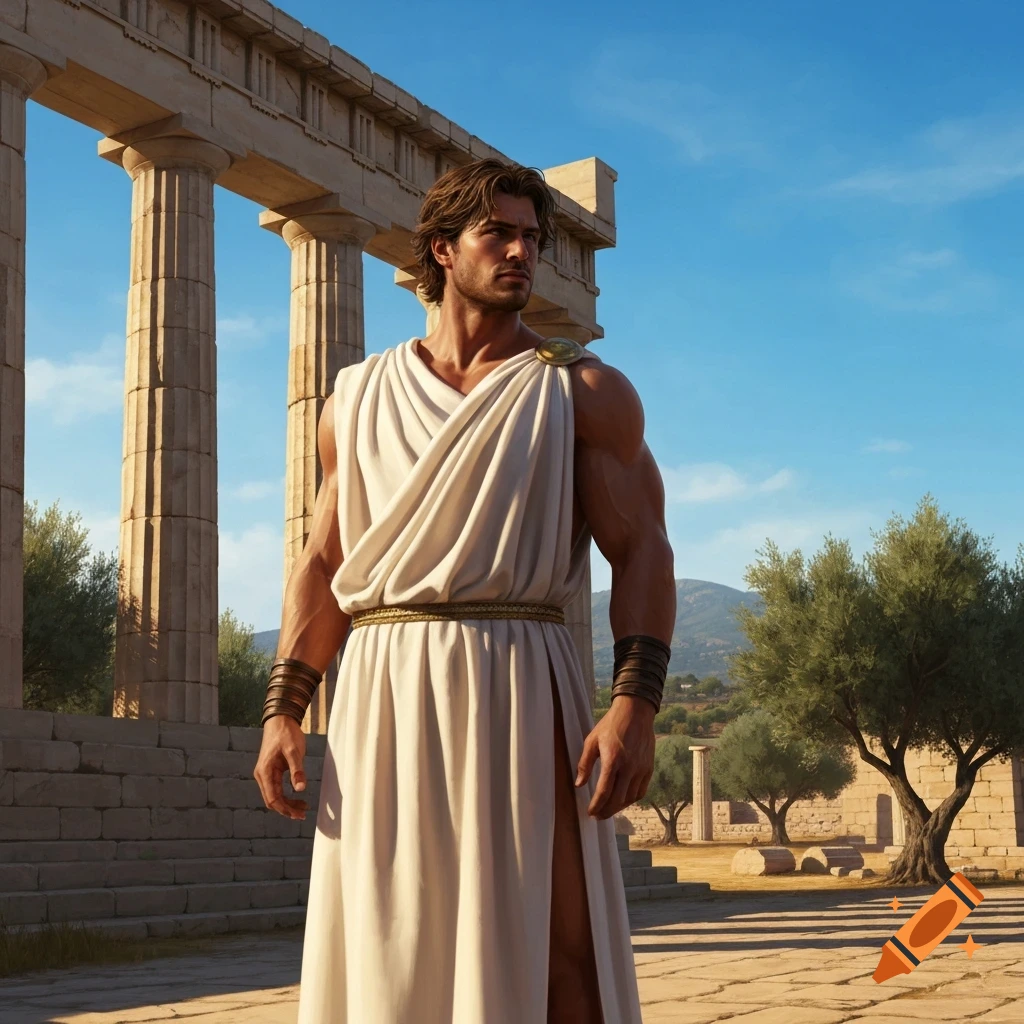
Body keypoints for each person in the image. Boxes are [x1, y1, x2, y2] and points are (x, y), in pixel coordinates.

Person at [254, 158, 676, 1023]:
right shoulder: (356, 397)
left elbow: (643, 552)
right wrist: (284, 707)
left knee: (564, 942)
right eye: (501, 234)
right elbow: (327, 564)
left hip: (523, 679)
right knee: (389, 939)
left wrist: (636, 704)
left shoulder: (581, 391)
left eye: (532, 237)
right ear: (443, 250)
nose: (522, 252)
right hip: (380, 690)